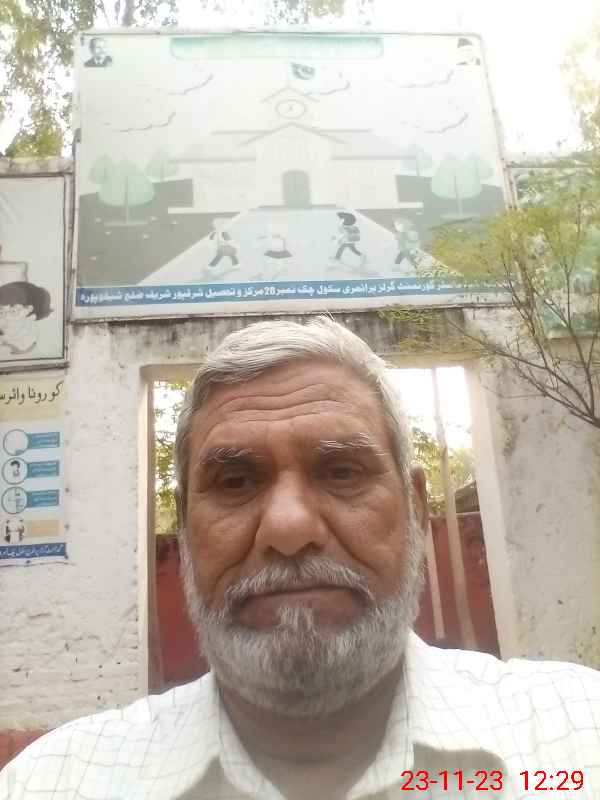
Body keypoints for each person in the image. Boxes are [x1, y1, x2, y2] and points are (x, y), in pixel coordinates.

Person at [1, 317, 600, 799]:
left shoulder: (573, 743)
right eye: (236, 481)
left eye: (342, 472)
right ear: (184, 529)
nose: (288, 528)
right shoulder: (54, 783)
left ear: (417, 509)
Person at [0, 280, 52, 357]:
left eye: (13, 311)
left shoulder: (35, 340)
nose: (6, 317)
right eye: (1, 312)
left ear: (29, 309)